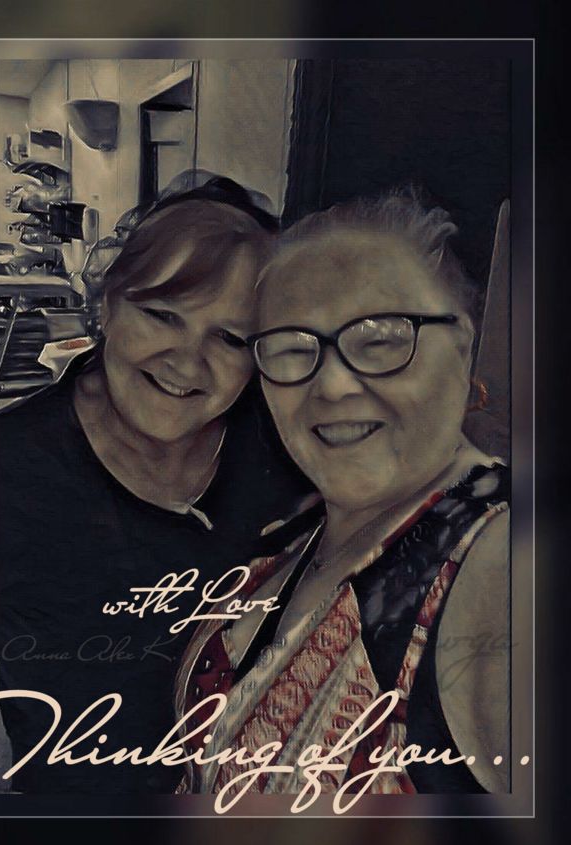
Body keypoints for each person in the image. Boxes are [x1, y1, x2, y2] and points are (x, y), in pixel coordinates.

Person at [175, 189, 510, 800]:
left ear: (463, 346)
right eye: (291, 348)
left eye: (380, 339)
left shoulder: (504, 560)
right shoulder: (293, 539)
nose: (330, 385)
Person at [0, 174, 311, 795]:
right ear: (107, 304)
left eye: (230, 338)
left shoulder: (287, 450)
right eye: (162, 314)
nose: (187, 362)